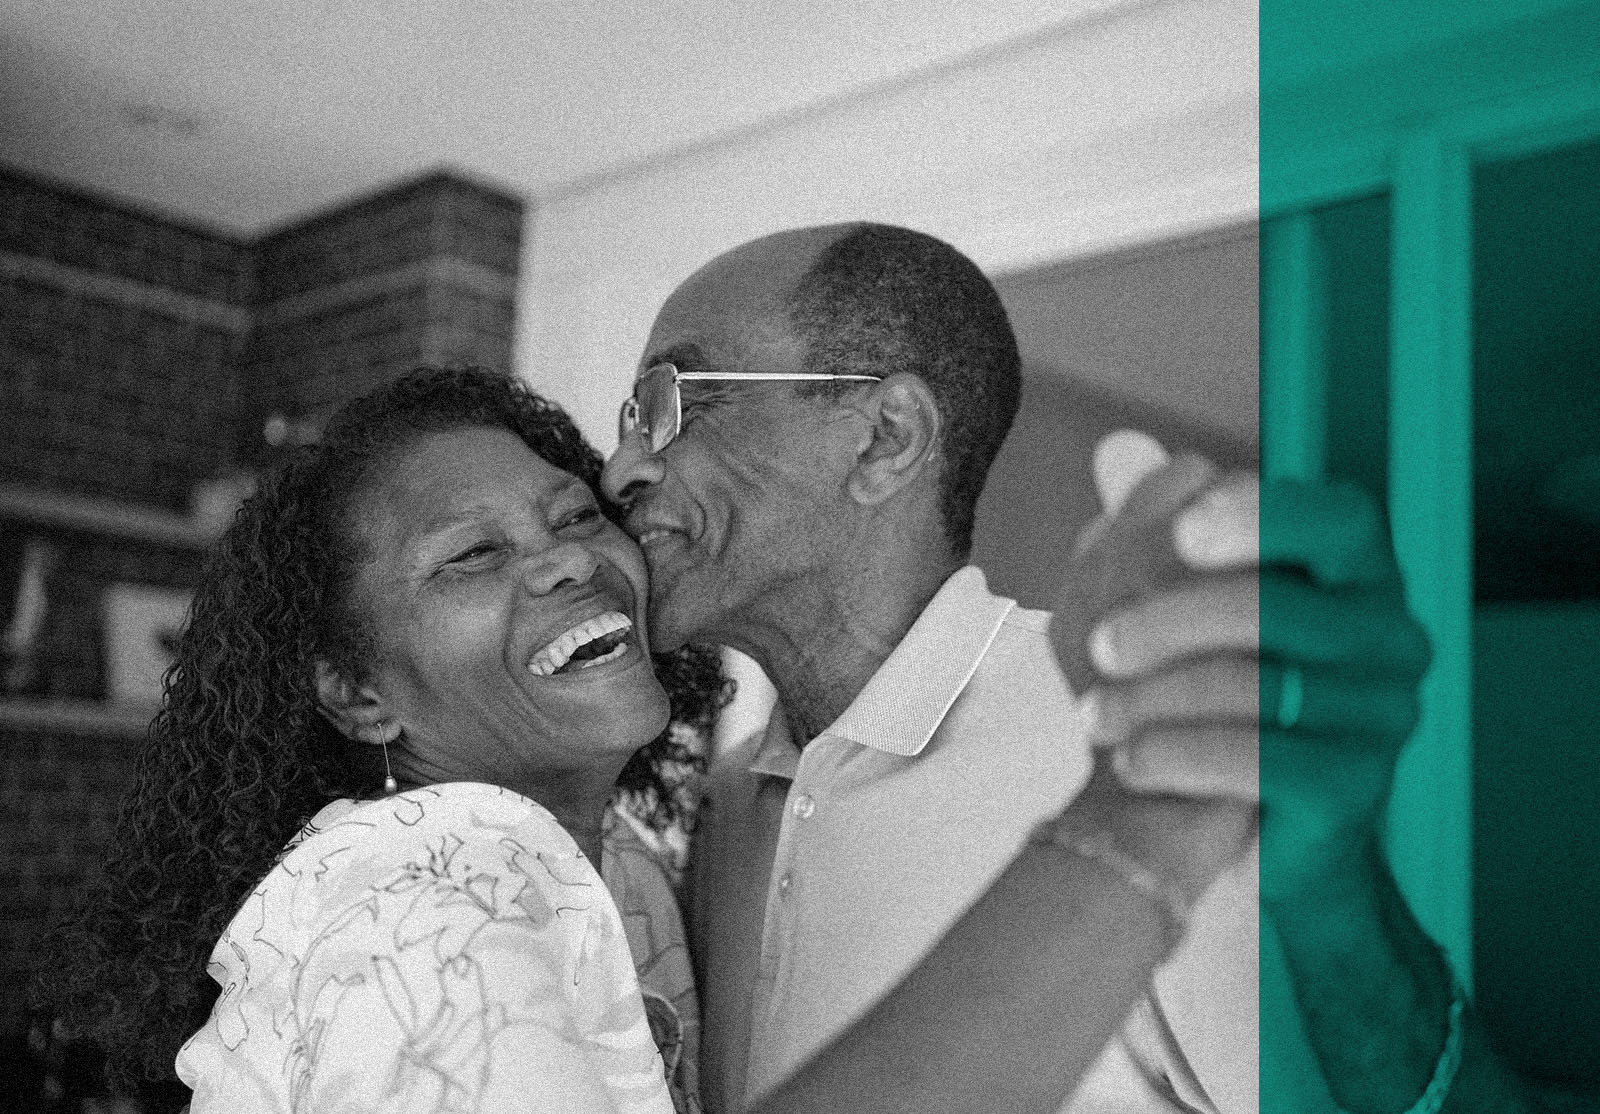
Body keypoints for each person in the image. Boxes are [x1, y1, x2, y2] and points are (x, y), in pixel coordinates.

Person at [33, 366, 1250, 1114]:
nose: (571, 552)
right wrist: (1132, 824)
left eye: (571, 515)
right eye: (472, 556)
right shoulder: (427, 879)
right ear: (358, 696)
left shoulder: (643, 863)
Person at [600, 222, 1585, 1113]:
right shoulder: (727, 805)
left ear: (884, 438)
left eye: (666, 404)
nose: (622, 471)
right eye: (625, 420)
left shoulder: (1135, 738)